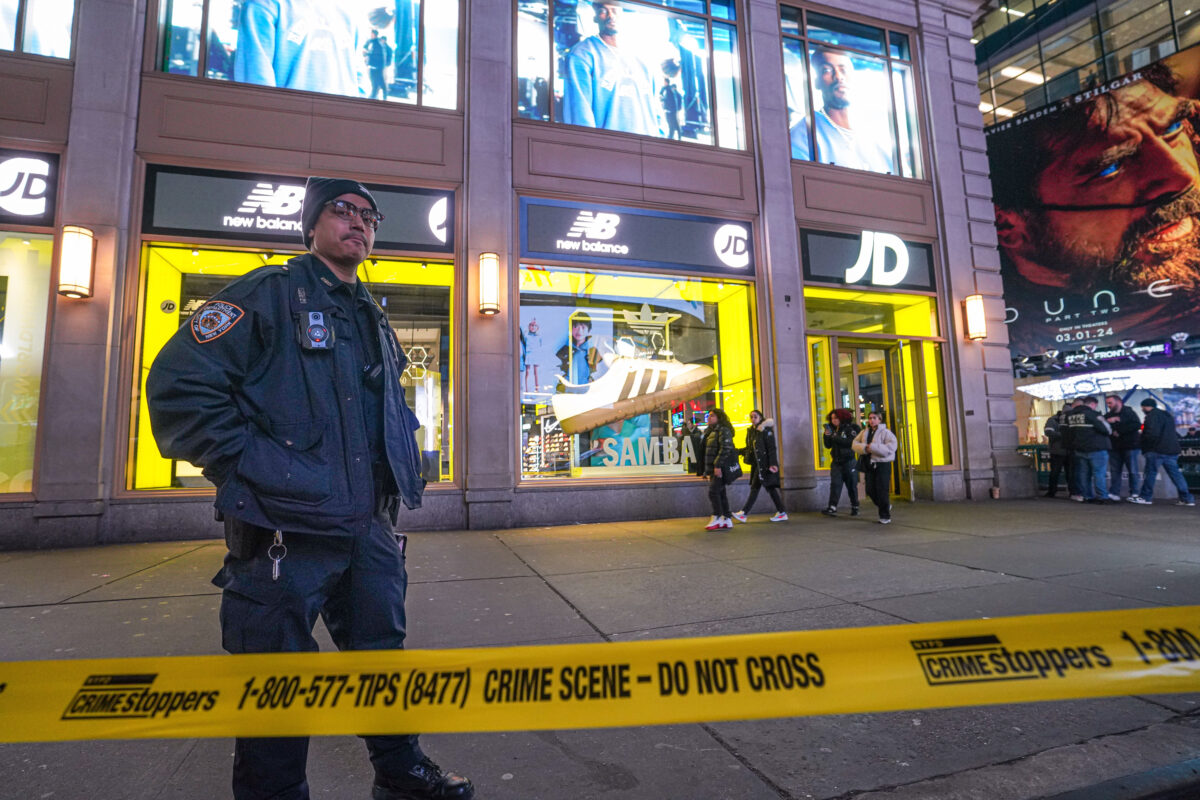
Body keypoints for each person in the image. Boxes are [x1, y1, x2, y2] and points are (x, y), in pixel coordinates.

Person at [145, 177, 474, 800]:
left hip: (366, 529)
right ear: (312, 223)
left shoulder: (369, 311)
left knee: (381, 658)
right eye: (342, 210)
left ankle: (402, 774)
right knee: (278, 685)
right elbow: (179, 388)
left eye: (369, 215)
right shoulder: (268, 294)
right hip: (282, 534)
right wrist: (255, 468)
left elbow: (383, 411)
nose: (359, 223)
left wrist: (403, 466)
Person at [989, 62, 1200, 355]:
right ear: (1009, 226)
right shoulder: (1001, 342)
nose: (1181, 176)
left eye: (1173, 128)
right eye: (1110, 168)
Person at [562, 1, 661, 136]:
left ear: (622, 14)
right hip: (610, 148)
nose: (611, 16)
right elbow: (580, 113)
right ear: (595, 17)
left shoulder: (642, 57)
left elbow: (656, 107)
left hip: (648, 147)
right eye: (604, 11)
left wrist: (661, 139)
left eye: (615, 10)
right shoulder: (582, 55)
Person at [790, 47, 895, 174]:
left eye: (843, 70)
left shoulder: (877, 139)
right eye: (827, 70)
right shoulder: (803, 136)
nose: (839, 77)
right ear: (816, 81)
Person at [1130, 397, 1196, 506]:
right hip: (1171, 449)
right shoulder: (1167, 416)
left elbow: (1152, 434)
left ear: (1146, 407)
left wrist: (1144, 441)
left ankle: (1146, 497)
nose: (1142, 409)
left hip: (1156, 449)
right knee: (1176, 475)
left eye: (1143, 407)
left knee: (1150, 473)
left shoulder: (1151, 416)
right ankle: (1187, 498)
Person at [732, 410, 787, 523]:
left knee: (755, 488)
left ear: (761, 417)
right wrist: (738, 451)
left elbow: (771, 448)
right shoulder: (752, 431)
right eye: (751, 417)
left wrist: (773, 463)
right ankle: (782, 512)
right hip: (757, 464)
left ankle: (744, 513)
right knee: (769, 488)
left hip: (765, 465)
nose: (753, 419)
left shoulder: (765, 430)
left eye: (755, 417)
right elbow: (750, 449)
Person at [1062, 395, 1112, 504]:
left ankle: (1087, 496)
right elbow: (1107, 430)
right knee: (1099, 474)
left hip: (1079, 449)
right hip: (1096, 449)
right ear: (1093, 404)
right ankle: (1102, 497)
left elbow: (1068, 433)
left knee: (1084, 474)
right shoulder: (1093, 414)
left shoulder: (1071, 416)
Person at [851, 411, 897, 524]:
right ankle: (884, 505)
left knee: (882, 490)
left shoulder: (886, 432)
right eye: (870, 418)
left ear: (880, 419)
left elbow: (891, 448)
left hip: (882, 464)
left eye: (874, 418)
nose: (871, 420)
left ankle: (885, 516)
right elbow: (854, 443)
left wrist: (873, 447)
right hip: (869, 464)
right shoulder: (864, 432)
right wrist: (864, 448)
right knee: (870, 490)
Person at [821, 407, 861, 516]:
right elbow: (828, 445)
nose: (834, 420)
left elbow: (850, 442)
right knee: (835, 484)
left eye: (836, 418)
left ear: (842, 418)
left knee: (851, 485)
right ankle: (832, 507)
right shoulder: (833, 429)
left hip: (849, 461)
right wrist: (826, 435)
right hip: (836, 462)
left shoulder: (849, 428)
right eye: (832, 418)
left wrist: (835, 437)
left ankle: (855, 506)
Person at [701, 408, 736, 530]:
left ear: (719, 418)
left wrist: (717, 465)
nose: (709, 418)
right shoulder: (711, 431)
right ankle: (726, 518)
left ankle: (717, 516)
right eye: (709, 416)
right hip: (714, 468)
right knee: (721, 492)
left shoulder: (723, 430)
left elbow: (725, 448)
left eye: (712, 416)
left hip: (719, 468)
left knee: (713, 492)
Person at [1105, 394, 1142, 500]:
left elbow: (1136, 425)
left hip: (1129, 445)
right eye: (1107, 403)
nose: (1108, 405)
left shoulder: (1129, 413)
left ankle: (1134, 492)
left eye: (1110, 403)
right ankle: (1115, 492)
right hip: (1115, 447)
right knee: (1115, 471)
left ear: (1118, 402)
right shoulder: (1108, 416)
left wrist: (1119, 430)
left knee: (1132, 470)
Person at [555, 312, 600, 386]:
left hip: (589, 391)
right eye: (575, 326)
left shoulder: (593, 352)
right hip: (568, 391)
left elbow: (599, 372)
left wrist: (593, 380)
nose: (579, 331)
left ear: (589, 330)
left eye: (583, 327)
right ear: (570, 329)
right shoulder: (564, 350)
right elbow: (556, 371)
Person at [1043, 403, 1074, 498]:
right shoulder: (1054, 420)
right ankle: (1070, 491)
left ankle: (1052, 492)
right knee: (1065, 472)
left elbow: (1048, 432)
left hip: (1059, 450)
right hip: (1061, 450)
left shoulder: (1053, 419)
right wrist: (1064, 435)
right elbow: (1048, 432)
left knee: (1057, 472)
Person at [363, 28, 392, 100]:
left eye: (371, 34)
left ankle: (379, 96)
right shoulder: (373, 42)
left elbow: (376, 54)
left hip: (377, 67)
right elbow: (366, 47)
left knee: (379, 82)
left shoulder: (378, 44)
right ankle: (375, 95)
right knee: (376, 82)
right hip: (375, 66)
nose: (370, 35)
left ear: (374, 34)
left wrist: (367, 54)